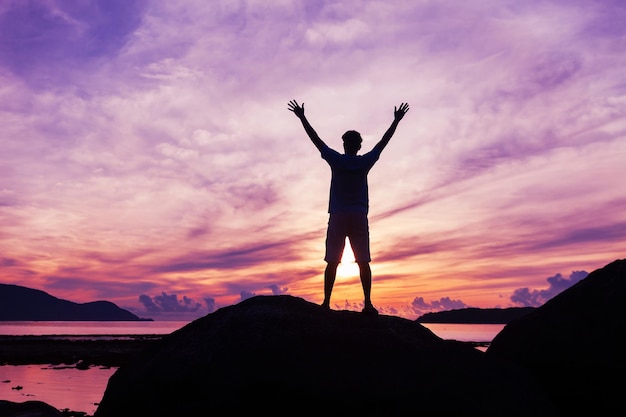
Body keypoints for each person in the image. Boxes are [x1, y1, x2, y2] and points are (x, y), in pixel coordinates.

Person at [288, 99, 409, 314]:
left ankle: (326, 303)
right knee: (363, 261)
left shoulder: (337, 160)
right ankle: (368, 304)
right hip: (358, 216)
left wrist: (302, 118)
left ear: (344, 144)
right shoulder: (364, 162)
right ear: (359, 145)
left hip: (338, 216)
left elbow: (316, 140)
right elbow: (383, 142)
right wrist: (396, 121)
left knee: (332, 261)